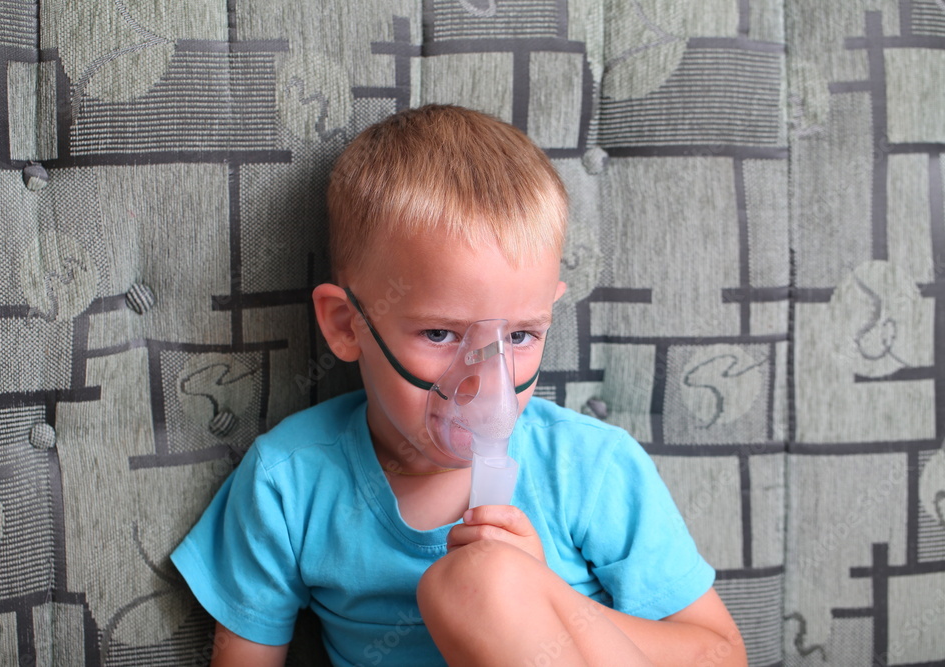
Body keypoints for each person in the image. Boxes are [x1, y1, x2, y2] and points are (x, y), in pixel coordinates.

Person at [170, 104, 747, 666]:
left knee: (483, 583)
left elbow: (721, 653)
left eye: (520, 336)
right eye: (441, 332)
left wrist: (543, 601)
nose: (485, 386)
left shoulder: (589, 469)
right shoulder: (289, 483)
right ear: (348, 327)